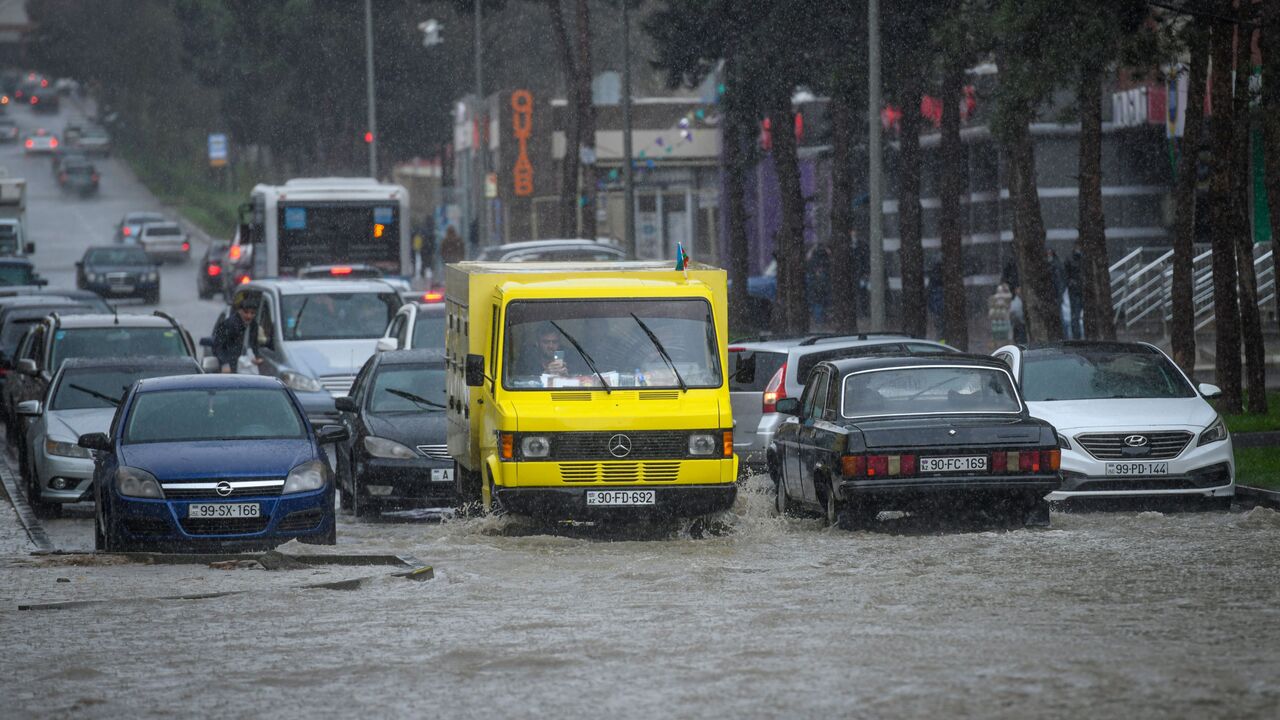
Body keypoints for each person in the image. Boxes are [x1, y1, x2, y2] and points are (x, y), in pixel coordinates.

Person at [211, 297, 262, 373]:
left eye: (252, 313)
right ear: (239, 311)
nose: (249, 316)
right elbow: (219, 346)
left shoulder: (253, 326)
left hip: (246, 366)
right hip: (231, 367)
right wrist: (225, 363)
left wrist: (257, 357)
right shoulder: (229, 324)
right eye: (246, 312)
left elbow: (254, 344)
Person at [1065, 244, 1085, 339]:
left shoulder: (1083, 258)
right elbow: (1065, 275)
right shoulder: (1070, 259)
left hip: (1082, 290)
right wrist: (1071, 283)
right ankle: (1077, 336)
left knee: (1077, 316)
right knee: (1075, 316)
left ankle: (1080, 336)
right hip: (1075, 291)